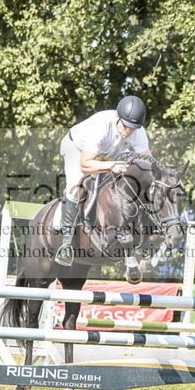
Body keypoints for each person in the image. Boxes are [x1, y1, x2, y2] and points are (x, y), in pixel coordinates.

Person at [55, 95, 153, 266]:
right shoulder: (101, 127)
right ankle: (66, 244)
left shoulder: (138, 132)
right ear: (117, 117)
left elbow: (148, 164)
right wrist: (111, 165)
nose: (128, 131)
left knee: (132, 170)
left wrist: (161, 181)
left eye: (132, 128)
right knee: (75, 186)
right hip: (77, 148)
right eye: (125, 125)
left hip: (109, 151)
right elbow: (85, 165)